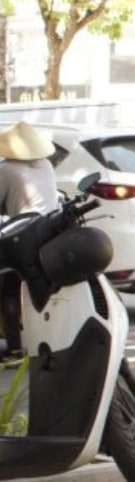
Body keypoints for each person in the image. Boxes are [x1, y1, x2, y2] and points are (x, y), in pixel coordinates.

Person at [0, 120, 61, 360]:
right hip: (50, 230)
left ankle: (15, 348)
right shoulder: (46, 165)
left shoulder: (6, 169)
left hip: (24, 235)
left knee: (10, 288)